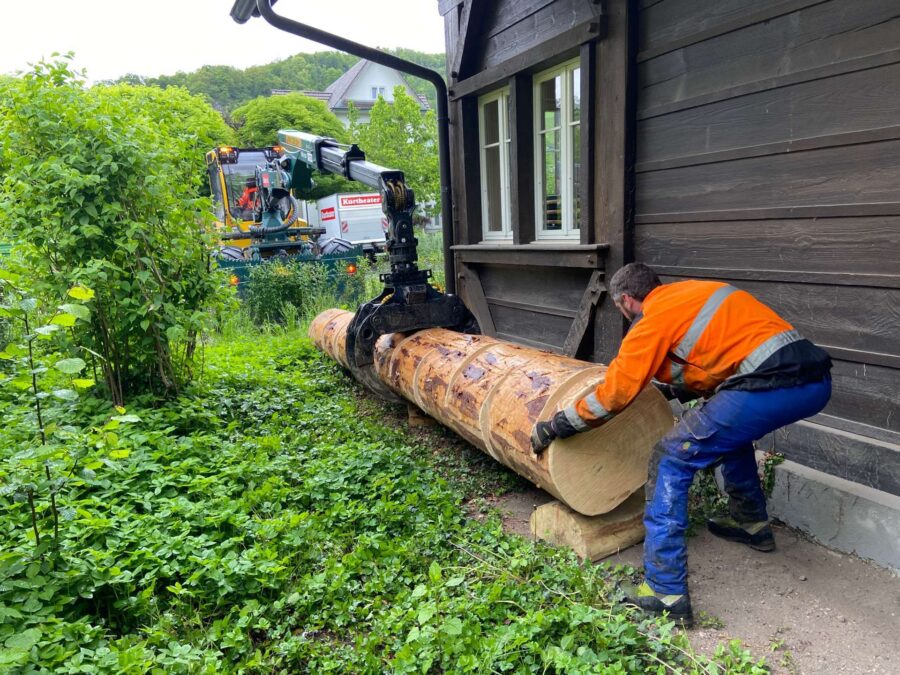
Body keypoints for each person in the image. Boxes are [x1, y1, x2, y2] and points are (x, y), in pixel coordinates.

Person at [530, 263, 832, 627]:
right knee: (726, 437)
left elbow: (613, 395)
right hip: (814, 380)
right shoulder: (694, 294)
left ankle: (665, 591)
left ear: (626, 300)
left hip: (770, 385)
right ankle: (751, 524)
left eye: (620, 308)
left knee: (671, 457)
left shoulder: (652, 320)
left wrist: (558, 425)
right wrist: (675, 389)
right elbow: (716, 360)